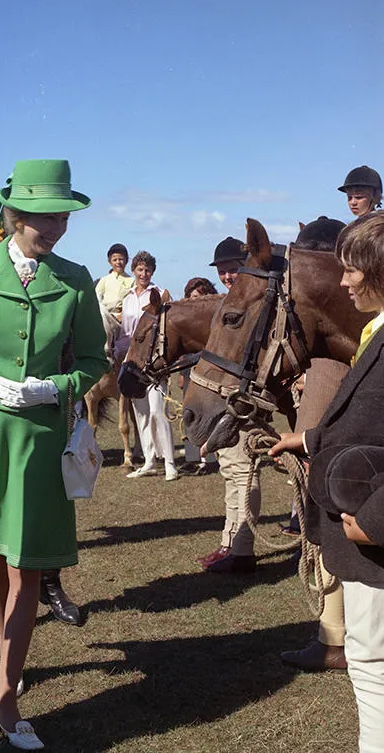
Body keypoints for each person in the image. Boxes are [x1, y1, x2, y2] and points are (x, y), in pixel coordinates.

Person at [0, 159, 107, 749]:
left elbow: (94, 360)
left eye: (63, 218)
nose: (56, 228)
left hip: (38, 439)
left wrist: (53, 388)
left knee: (26, 564)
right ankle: (12, 653)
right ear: (14, 216)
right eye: (45, 218)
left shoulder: (76, 279)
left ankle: (5, 696)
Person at [270, 210, 384, 753]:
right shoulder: (375, 330)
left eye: (352, 270)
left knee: (373, 664)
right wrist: (310, 439)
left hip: (374, 538)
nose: (343, 282)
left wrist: (375, 520)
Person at [197, 236, 261, 573]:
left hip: (244, 400)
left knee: (243, 471)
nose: (226, 277)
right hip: (223, 398)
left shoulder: (254, 305)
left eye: (232, 269)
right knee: (230, 470)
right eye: (221, 272)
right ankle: (229, 543)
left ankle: (243, 550)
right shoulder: (228, 304)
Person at [117, 250, 178, 481]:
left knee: (157, 412)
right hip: (132, 361)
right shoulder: (127, 298)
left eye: (148, 270)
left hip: (154, 362)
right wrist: (118, 353)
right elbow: (125, 333)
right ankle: (149, 461)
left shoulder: (160, 295)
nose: (144, 274)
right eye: (140, 270)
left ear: (153, 272)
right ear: (133, 271)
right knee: (141, 413)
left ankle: (170, 463)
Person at [177, 278, 218, 476]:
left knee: (208, 414)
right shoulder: (185, 320)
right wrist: (181, 373)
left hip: (208, 369)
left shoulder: (214, 318)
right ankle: (192, 458)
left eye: (199, 296)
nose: (195, 300)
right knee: (189, 414)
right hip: (188, 368)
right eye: (192, 297)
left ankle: (209, 459)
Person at [95, 243, 134, 321]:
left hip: (123, 317)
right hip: (105, 316)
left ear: (126, 260)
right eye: (115, 260)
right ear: (109, 261)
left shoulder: (131, 281)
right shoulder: (105, 280)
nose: (118, 262)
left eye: (121, 259)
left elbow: (132, 302)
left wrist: (122, 315)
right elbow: (96, 298)